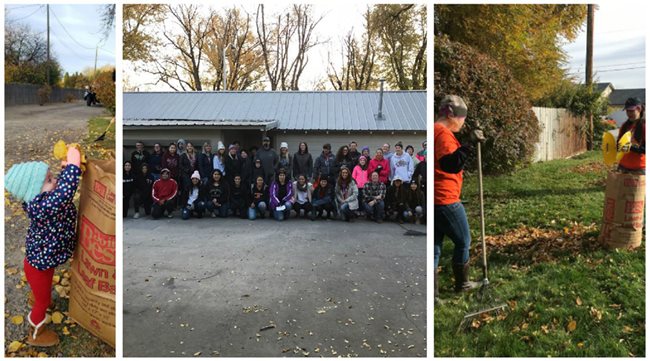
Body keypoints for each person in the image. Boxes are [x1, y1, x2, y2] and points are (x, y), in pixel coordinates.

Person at [4, 146, 81, 346]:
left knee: (43, 287)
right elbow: (66, 192)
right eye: (48, 180)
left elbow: (60, 187)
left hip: (42, 260)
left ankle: (36, 295)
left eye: (52, 176)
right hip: (38, 265)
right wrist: (73, 165)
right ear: (33, 192)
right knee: (43, 302)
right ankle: (36, 333)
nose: (54, 180)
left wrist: (64, 170)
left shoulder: (42, 199)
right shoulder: (43, 205)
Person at [434, 94, 481, 303]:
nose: (463, 123)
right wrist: (469, 144)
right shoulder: (442, 133)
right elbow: (450, 165)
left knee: (435, 247)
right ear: (452, 114)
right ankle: (462, 284)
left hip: (435, 199)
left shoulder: (435, 131)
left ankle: (433, 295)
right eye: (462, 118)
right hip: (445, 199)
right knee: (463, 240)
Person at [618, 97, 645, 174]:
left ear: (639, 109)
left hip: (640, 168)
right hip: (623, 166)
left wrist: (632, 147)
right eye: (627, 111)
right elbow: (619, 144)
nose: (629, 113)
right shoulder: (624, 126)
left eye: (631, 111)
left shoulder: (645, 126)